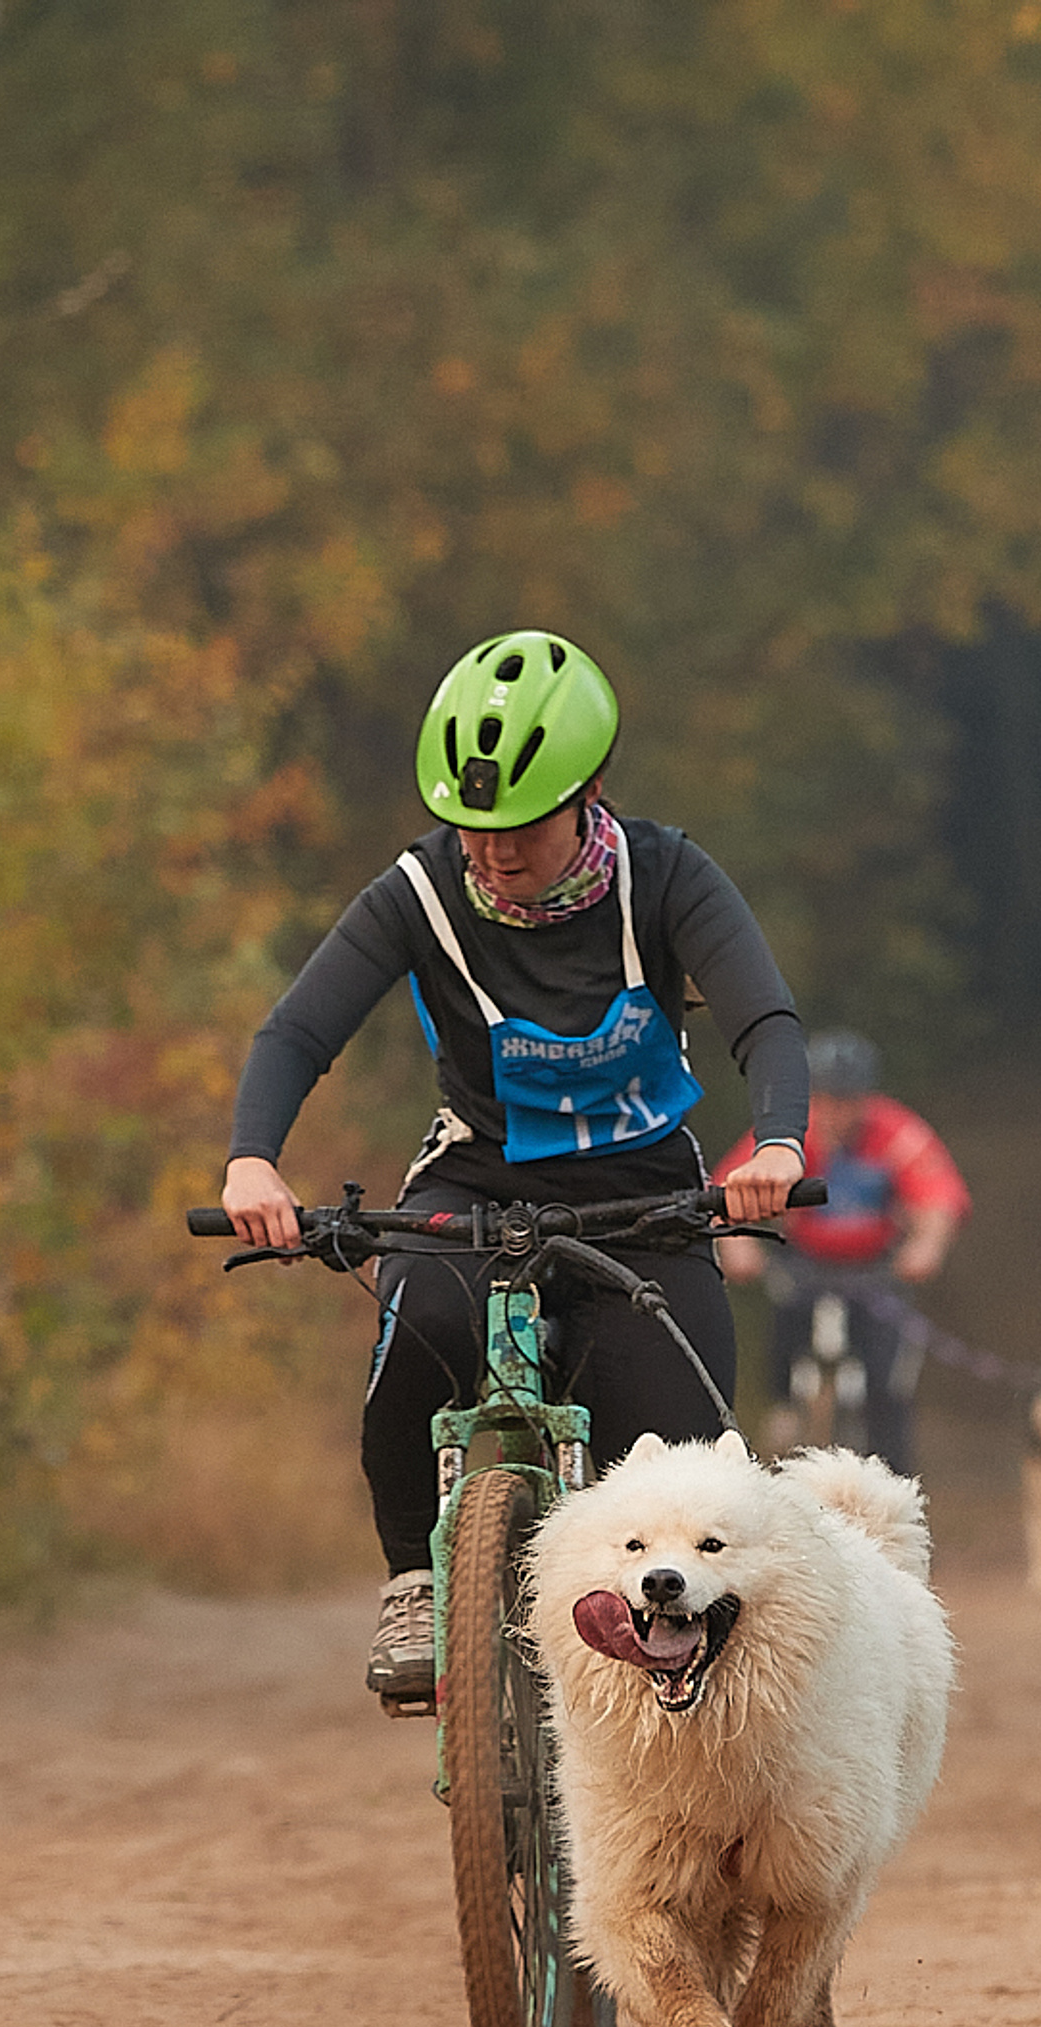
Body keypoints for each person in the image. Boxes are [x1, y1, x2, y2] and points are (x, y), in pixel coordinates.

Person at [221, 630, 807, 1702]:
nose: (487, 854)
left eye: (516, 831)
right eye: (469, 828)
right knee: (421, 1331)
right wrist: (252, 1161)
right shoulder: (419, 891)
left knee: (679, 1442)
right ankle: (412, 1578)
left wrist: (774, 1144)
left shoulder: (666, 876)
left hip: (647, 1201)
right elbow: (295, 1034)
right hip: (475, 1185)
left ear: (586, 795)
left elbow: (761, 1018)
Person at [715, 1029, 969, 1477]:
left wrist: (925, 1247)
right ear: (813, 1097)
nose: (839, 1111)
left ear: (867, 1097)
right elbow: (728, 1188)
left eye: (850, 1099)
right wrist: (739, 1244)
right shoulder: (793, 1133)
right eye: (829, 1098)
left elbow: (938, 1197)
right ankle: (782, 1413)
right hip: (804, 1266)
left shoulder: (896, 1132)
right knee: (784, 1330)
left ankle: (895, 1482)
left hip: (877, 1273)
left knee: (887, 1383)